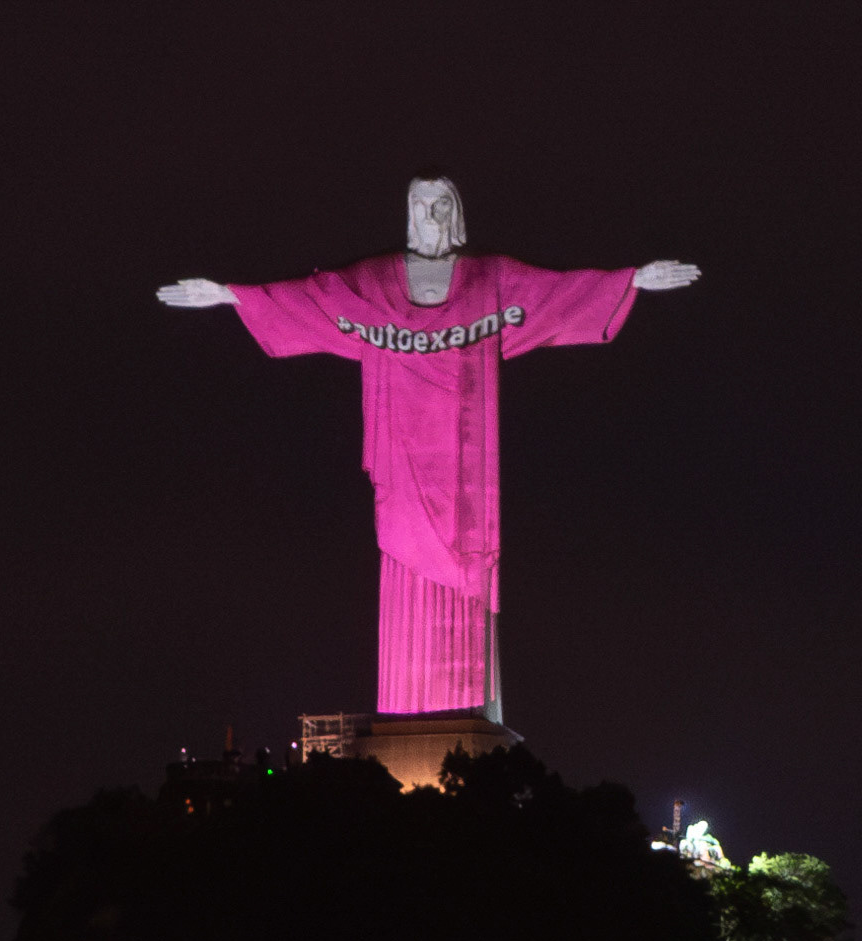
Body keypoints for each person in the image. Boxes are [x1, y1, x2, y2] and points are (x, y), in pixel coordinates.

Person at [158, 177, 700, 724]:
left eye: (442, 204)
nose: (431, 214)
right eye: (420, 205)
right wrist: (231, 295)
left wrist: (631, 281)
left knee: (467, 585)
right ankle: (413, 714)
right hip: (403, 462)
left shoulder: (492, 281)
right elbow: (313, 299)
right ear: (407, 213)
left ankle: (469, 712)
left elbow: (556, 293)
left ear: (458, 213)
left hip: (466, 472)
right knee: (404, 566)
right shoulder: (372, 282)